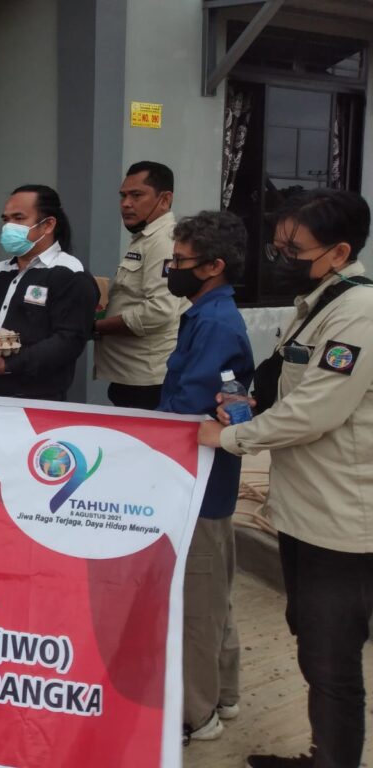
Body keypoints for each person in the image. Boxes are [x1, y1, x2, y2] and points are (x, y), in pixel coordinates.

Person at [198, 189, 373, 768]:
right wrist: (249, 404)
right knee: (312, 639)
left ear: (340, 251)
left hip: (340, 521)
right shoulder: (320, 302)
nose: (281, 258)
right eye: (277, 246)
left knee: (331, 656)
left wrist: (229, 438)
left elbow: (316, 411)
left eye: (294, 249)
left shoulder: (359, 312)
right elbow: (290, 387)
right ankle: (325, 755)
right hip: (302, 509)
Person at [154, 211, 253, 745]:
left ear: (213, 266)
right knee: (214, 594)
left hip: (198, 482)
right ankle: (225, 695)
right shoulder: (208, 315)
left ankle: (197, 716)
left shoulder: (214, 324)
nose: (172, 269)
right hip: (207, 482)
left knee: (196, 601)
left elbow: (188, 409)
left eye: (179, 261)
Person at [0, 185, 99, 401]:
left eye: (18, 218)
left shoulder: (70, 274)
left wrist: (7, 365)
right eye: (6, 219)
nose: (8, 227)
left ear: (48, 224)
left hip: (35, 401)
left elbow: (68, 341)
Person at [94, 162, 188, 409]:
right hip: (130, 375)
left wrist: (97, 327)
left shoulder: (164, 241)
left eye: (136, 195)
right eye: (123, 196)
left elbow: (160, 310)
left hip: (147, 381)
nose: (126, 204)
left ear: (165, 200)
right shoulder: (146, 237)